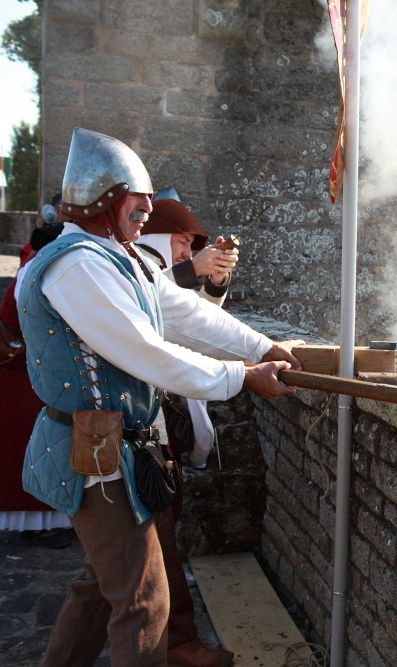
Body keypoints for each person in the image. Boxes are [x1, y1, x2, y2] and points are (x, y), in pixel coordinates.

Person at [18, 128, 302, 666]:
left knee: (102, 586)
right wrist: (242, 377)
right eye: (137, 199)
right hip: (95, 452)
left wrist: (264, 345)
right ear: (104, 201)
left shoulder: (121, 258)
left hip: (120, 447)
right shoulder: (77, 265)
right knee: (145, 601)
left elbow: (186, 314)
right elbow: (145, 353)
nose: (150, 209)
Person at [132, 190, 240, 666]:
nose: (185, 252)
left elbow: (199, 321)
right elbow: (153, 304)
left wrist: (213, 281)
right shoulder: (133, 267)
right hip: (140, 428)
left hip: (157, 425)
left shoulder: (157, 269)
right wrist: (194, 271)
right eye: (180, 243)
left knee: (142, 549)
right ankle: (177, 642)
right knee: (156, 543)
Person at [0, 213, 73, 548]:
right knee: (22, 440)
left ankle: (50, 517)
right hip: (15, 363)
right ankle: (37, 521)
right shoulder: (36, 270)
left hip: (26, 360)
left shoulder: (41, 266)